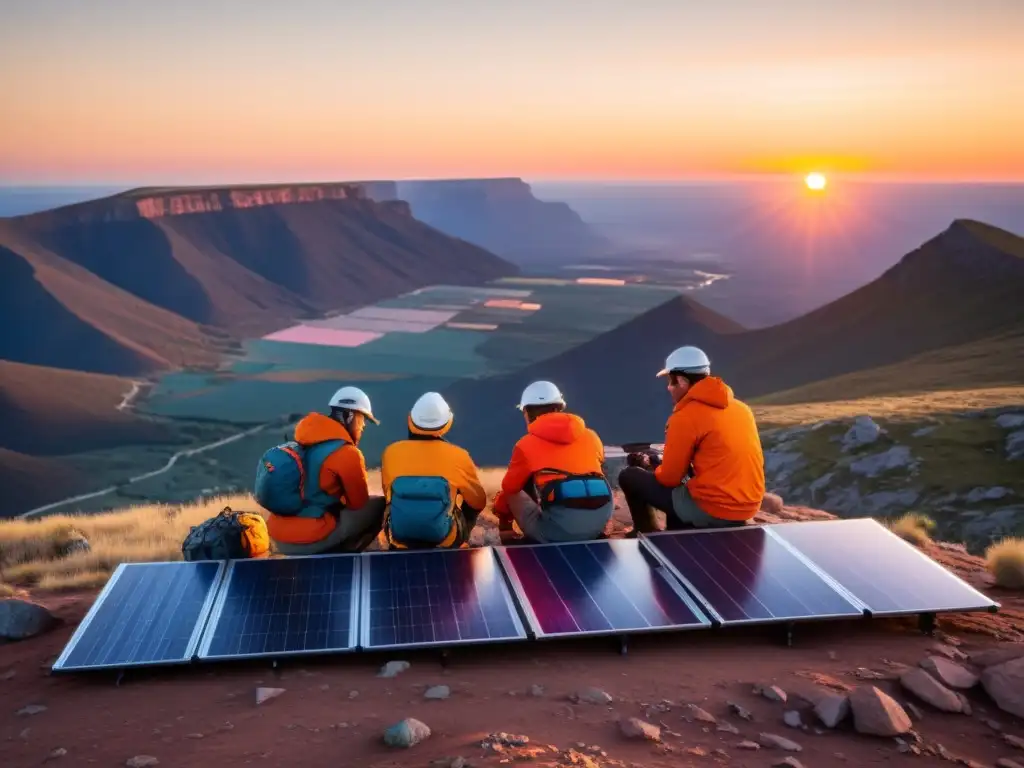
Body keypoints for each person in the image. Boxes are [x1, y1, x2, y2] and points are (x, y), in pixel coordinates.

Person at [618, 345, 765, 534]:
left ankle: (647, 534)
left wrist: (655, 466)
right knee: (674, 477)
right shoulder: (741, 408)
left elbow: (670, 478)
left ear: (682, 381)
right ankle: (679, 530)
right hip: (748, 507)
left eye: (671, 382)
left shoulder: (685, 417)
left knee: (630, 476)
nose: (668, 387)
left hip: (715, 509)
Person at [259, 386, 386, 555]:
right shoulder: (347, 453)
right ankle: (344, 554)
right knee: (379, 505)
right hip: (310, 539)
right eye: (362, 419)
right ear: (349, 416)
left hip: (277, 536)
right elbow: (358, 503)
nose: (362, 427)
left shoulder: (303, 440)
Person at [493, 381, 614, 543]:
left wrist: (500, 512)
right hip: (598, 525)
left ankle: (507, 534)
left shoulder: (526, 445)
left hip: (556, 533)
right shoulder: (591, 436)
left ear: (527, 412)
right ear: (559, 407)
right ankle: (595, 528)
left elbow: (510, 488)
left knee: (514, 487)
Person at [379, 392, 487, 549]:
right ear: (447, 423)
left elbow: (388, 493)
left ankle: (399, 543)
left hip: (399, 537)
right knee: (469, 507)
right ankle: (456, 540)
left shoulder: (391, 453)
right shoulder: (458, 455)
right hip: (445, 541)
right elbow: (478, 502)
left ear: (410, 419)